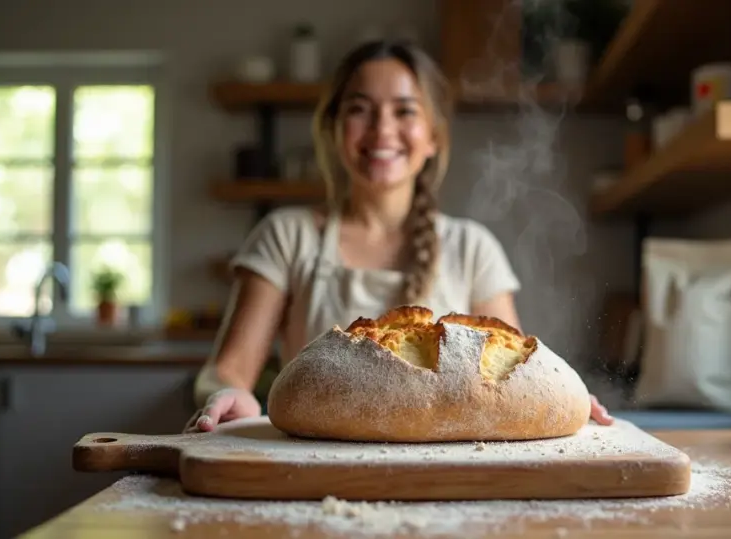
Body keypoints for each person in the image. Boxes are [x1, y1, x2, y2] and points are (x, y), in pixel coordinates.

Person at [185, 39, 613, 433]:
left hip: (450, 487)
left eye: (405, 110)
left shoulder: (472, 248)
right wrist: (227, 393)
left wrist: (560, 397)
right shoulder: (286, 236)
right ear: (334, 128)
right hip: (321, 469)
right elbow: (227, 370)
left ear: (433, 137)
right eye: (359, 109)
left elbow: (514, 377)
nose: (381, 129)